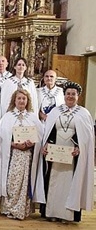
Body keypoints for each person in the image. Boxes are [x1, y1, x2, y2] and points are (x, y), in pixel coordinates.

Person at [35, 82, 94, 222]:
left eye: (73, 94)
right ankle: (51, 212)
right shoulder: (55, 111)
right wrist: (47, 144)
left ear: (78, 96)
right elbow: (50, 131)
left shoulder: (83, 114)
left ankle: (67, 215)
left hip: (72, 156)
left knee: (69, 184)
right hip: (55, 153)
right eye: (68, 94)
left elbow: (87, 137)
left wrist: (79, 147)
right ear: (64, 95)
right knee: (53, 182)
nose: (70, 96)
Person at [0, 89, 43, 220]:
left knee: (24, 182)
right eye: (19, 98)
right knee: (12, 181)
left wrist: (31, 143)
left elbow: (40, 136)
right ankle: (9, 208)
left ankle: (21, 209)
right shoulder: (7, 117)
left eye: (24, 98)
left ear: (28, 101)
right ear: (14, 100)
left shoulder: (32, 117)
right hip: (12, 155)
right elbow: (1, 137)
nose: (22, 101)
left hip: (27, 155)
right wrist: (12, 144)